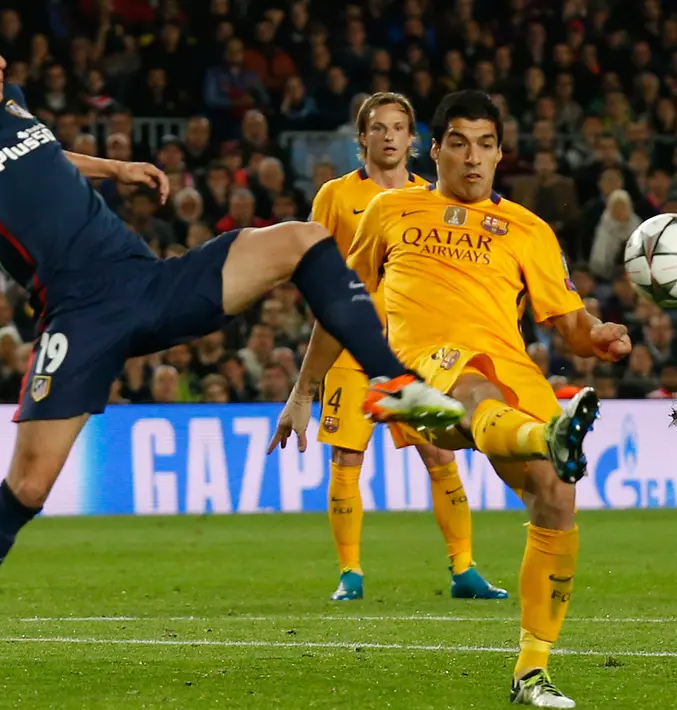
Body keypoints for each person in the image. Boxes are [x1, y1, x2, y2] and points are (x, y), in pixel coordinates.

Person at [0, 9, 463, 709]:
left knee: (300, 239)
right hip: (79, 317)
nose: (0, 59)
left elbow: (41, 157)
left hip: (148, 282)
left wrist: (115, 167)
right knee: (26, 490)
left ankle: (394, 382)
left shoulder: (9, 105)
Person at [270, 90, 632, 708]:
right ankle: (547, 437)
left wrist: (598, 335)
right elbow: (341, 306)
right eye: (459, 143)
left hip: (512, 371)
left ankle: (532, 674)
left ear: (499, 154)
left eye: (486, 145)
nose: (473, 158)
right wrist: (304, 390)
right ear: (433, 150)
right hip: (417, 376)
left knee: (557, 495)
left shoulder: (529, 229)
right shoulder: (391, 209)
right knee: (473, 388)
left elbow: (569, 321)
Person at [299, 91, 505, 602]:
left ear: (413, 141)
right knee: (347, 458)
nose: (389, 136)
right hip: (351, 347)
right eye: (378, 128)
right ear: (362, 138)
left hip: (413, 347)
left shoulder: (432, 196)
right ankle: (350, 574)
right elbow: (317, 266)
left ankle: (464, 569)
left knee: (439, 453)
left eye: (398, 128)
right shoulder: (335, 196)